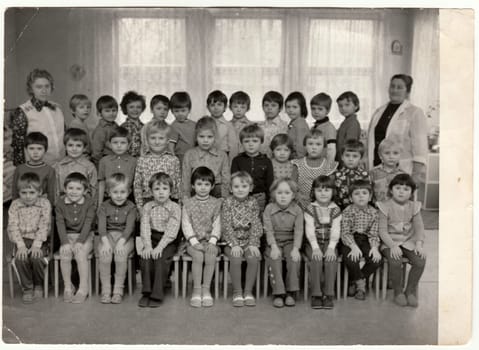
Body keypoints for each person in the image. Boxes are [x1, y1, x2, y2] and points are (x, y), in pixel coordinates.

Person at [367, 74, 428, 184]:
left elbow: (421, 148)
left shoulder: (415, 112)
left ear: (407, 91)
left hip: (402, 170)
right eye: (392, 86)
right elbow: (370, 142)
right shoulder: (378, 112)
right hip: (377, 168)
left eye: (399, 87)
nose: (394, 90)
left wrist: (416, 176)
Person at [378, 174, 426, 307]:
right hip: (389, 242)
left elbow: (419, 228)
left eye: (406, 189)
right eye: (398, 188)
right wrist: (392, 246)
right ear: (391, 190)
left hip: (408, 241)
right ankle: (398, 292)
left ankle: (409, 291)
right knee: (395, 260)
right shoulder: (384, 206)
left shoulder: (414, 206)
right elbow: (382, 230)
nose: (401, 191)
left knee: (420, 261)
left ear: (411, 193)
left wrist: (419, 244)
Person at [137, 172, 181, 308]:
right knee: (146, 257)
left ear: (171, 191)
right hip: (151, 238)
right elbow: (144, 227)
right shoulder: (147, 207)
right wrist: (148, 246)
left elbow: (172, 231)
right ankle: (146, 292)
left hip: (168, 241)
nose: (161, 192)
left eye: (164, 188)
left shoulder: (175, 207)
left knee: (160, 258)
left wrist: (160, 247)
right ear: (151, 191)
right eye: (157, 189)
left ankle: (157, 294)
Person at [7, 172, 51, 304]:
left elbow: (45, 224)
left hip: (40, 239)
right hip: (20, 239)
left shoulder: (44, 203)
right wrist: (20, 246)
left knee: (36, 257)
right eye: (23, 192)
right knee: (21, 258)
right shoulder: (15, 205)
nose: (27, 196)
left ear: (39, 192)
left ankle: (38, 284)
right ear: (19, 193)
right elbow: (13, 226)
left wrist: (37, 244)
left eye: (31, 192)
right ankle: (27, 288)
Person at [182, 167, 222, 308]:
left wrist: (212, 241)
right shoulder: (188, 203)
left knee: (210, 255)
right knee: (198, 256)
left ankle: (206, 289)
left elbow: (218, 224)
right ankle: (196, 290)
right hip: (193, 242)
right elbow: (186, 224)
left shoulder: (216, 203)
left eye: (206, 184)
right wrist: (193, 242)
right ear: (193, 185)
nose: (203, 188)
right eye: (199, 184)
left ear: (212, 186)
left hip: (211, 241)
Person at [221, 171, 263, 307]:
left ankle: (248, 292)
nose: (240, 190)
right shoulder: (227, 202)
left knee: (253, 258)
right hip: (231, 241)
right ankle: (237, 292)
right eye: (237, 186)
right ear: (230, 188)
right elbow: (226, 225)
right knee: (236, 258)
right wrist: (234, 244)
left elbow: (256, 224)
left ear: (250, 188)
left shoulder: (253, 202)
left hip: (249, 241)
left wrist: (253, 244)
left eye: (244, 186)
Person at [11, 68, 65, 166]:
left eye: (47, 86)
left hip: (60, 164)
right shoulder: (23, 111)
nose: (44, 90)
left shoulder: (57, 108)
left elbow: (63, 137)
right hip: (36, 167)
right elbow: (18, 145)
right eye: (39, 87)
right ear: (31, 89)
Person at [55, 172, 95, 303]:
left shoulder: (89, 203)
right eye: (70, 188)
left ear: (85, 191)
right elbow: (60, 224)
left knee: (80, 253)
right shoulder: (60, 203)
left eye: (78, 189)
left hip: (85, 235)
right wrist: (65, 242)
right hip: (67, 235)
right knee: (64, 253)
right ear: (65, 189)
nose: (74, 192)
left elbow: (88, 223)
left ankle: (83, 288)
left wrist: (80, 241)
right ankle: (68, 286)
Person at [263, 178, 303, 308]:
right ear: (274, 194)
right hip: (273, 241)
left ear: (293, 195)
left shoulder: (297, 210)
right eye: (279, 193)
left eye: (287, 193)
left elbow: (298, 231)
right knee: (274, 258)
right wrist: (273, 247)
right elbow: (268, 230)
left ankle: (291, 292)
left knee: (294, 259)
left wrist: (296, 248)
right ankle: (278, 293)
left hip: (291, 241)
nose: (283, 196)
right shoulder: (269, 208)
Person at [97, 173, 137, 304]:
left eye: (122, 192)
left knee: (120, 255)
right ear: (108, 192)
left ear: (128, 192)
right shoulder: (103, 206)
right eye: (115, 192)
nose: (119, 195)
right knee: (105, 255)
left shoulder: (131, 207)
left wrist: (121, 242)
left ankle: (118, 290)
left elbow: (129, 228)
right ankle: (106, 290)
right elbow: (101, 227)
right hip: (106, 237)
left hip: (125, 238)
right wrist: (106, 243)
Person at [304, 175, 342, 309]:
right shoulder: (310, 208)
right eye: (319, 190)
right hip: (313, 242)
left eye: (327, 190)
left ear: (333, 192)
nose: (323, 193)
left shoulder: (336, 209)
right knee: (316, 260)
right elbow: (309, 230)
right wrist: (315, 248)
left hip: (330, 242)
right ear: (313, 192)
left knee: (331, 260)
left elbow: (336, 231)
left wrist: (331, 248)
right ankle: (316, 294)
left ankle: (329, 294)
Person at [340, 179, 382, 300]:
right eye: (356, 194)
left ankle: (356, 281)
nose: (361, 196)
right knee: (351, 259)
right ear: (351, 198)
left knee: (376, 260)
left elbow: (374, 233)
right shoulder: (347, 211)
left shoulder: (374, 213)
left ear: (370, 197)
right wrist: (353, 246)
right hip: (350, 239)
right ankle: (361, 286)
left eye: (364, 193)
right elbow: (345, 232)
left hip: (366, 239)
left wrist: (374, 248)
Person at [133, 120, 181, 214]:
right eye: (153, 138)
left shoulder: (173, 160)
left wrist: (179, 204)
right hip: (148, 201)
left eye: (161, 138)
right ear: (147, 139)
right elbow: (137, 185)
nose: (157, 142)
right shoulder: (142, 160)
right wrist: (139, 206)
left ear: (167, 141)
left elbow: (178, 183)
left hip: (169, 201)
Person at [182, 116, 230, 199]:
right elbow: (186, 178)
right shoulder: (189, 154)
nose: (205, 140)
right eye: (201, 136)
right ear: (196, 137)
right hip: (196, 190)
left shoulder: (222, 155)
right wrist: (185, 197)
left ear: (215, 137)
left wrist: (224, 197)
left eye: (209, 137)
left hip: (216, 191)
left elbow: (226, 178)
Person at [291, 129, 338, 209]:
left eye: (318, 144)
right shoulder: (298, 164)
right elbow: (292, 185)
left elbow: (331, 188)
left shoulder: (329, 166)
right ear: (305, 146)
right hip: (300, 203)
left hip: (322, 204)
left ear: (324, 147)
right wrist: (298, 196)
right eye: (310, 144)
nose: (314, 147)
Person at [231, 124, 274, 212]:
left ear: (261, 141)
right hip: (241, 196)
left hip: (260, 197)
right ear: (241, 142)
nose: (250, 144)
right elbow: (233, 181)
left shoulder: (266, 161)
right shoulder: (237, 160)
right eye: (246, 141)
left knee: (258, 221)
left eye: (255, 141)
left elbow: (270, 183)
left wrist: (270, 201)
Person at [12, 132, 56, 205]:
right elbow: (14, 191)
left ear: (45, 150)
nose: (35, 152)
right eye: (31, 148)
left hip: (41, 206)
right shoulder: (19, 169)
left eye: (39, 149)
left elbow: (51, 192)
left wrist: (49, 208)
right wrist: (15, 205)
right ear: (26, 149)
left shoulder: (50, 170)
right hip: (22, 205)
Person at [54, 128, 97, 200]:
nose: (74, 149)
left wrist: (92, 206)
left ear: (84, 148)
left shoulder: (89, 166)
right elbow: (56, 189)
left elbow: (94, 188)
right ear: (65, 147)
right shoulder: (59, 166)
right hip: (64, 204)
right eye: (70, 145)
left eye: (78, 146)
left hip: (84, 205)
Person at [97, 127, 137, 206]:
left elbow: (136, 185)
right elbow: (101, 183)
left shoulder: (134, 161)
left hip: (128, 199)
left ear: (129, 145)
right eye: (115, 142)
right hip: (108, 198)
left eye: (123, 143)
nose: (119, 146)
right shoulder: (104, 161)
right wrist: (99, 204)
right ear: (110, 144)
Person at [334, 139, 370, 210]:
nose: (350, 159)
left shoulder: (364, 175)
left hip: (360, 209)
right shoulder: (337, 174)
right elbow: (335, 195)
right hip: (342, 209)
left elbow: (368, 193)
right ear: (342, 157)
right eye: (347, 155)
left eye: (355, 156)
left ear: (360, 158)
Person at [369, 138, 407, 203]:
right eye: (387, 153)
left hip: (395, 209)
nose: (391, 156)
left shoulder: (403, 175)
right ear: (380, 155)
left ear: (400, 155)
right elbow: (368, 192)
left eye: (395, 153)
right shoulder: (373, 172)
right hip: (377, 208)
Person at [206, 90, 239, 163]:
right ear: (208, 107)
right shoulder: (205, 124)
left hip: (224, 157)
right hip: (206, 157)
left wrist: (230, 163)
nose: (216, 108)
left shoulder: (229, 125)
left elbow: (233, 147)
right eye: (212, 105)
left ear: (225, 107)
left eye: (219, 104)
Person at [167, 92, 196, 165]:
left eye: (183, 111)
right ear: (172, 111)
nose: (180, 113)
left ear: (189, 110)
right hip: (181, 157)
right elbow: (171, 146)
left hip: (194, 155)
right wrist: (174, 160)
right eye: (176, 111)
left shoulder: (195, 124)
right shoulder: (174, 126)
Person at [91, 95, 119, 167]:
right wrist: (101, 165)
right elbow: (96, 152)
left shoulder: (116, 126)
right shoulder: (100, 130)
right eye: (107, 111)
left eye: (114, 110)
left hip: (116, 160)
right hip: (105, 162)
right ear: (99, 113)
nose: (111, 113)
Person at [259, 90, 288, 157]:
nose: (269, 108)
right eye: (266, 105)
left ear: (280, 108)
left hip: (277, 161)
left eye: (273, 105)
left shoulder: (283, 126)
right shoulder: (260, 126)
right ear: (262, 107)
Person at [335, 91, 361, 163]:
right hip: (341, 158)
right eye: (340, 106)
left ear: (356, 106)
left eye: (347, 105)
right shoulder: (346, 122)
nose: (343, 108)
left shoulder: (353, 123)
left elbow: (350, 147)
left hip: (347, 161)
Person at [310, 93, 337, 162]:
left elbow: (331, 150)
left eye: (320, 109)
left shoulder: (329, 128)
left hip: (323, 165)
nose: (316, 112)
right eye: (313, 108)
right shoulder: (313, 127)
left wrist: (328, 168)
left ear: (327, 111)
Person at [120, 91, 146, 158]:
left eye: (138, 107)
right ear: (125, 108)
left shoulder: (145, 127)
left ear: (142, 109)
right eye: (131, 107)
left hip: (142, 160)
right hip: (127, 160)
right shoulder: (122, 127)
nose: (135, 110)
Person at [285, 91, 310, 158]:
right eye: (288, 107)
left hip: (298, 160)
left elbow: (301, 146)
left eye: (294, 107)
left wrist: (297, 161)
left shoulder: (300, 124)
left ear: (302, 108)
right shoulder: (293, 122)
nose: (291, 110)